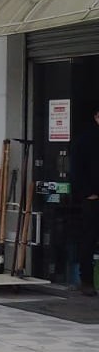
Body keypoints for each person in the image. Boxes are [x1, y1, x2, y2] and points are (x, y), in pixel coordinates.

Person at [71, 104, 99, 296]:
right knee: (88, 239)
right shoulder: (86, 140)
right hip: (92, 198)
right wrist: (87, 192)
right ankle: (86, 281)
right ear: (96, 117)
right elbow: (76, 170)